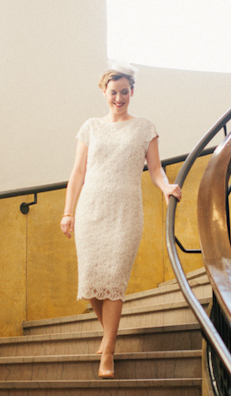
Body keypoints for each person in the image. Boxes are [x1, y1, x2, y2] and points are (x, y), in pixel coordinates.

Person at [60, 63, 181, 379]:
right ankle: (109, 335)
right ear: (104, 92)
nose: (119, 98)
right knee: (91, 285)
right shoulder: (90, 128)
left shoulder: (144, 128)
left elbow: (155, 170)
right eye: (113, 92)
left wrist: (166, 186)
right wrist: (68, 212)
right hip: (91, 209)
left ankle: (108, 350)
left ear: (131, 92)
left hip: (125, 210)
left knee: (113, 280)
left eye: (124, 92)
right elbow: (77, 172)